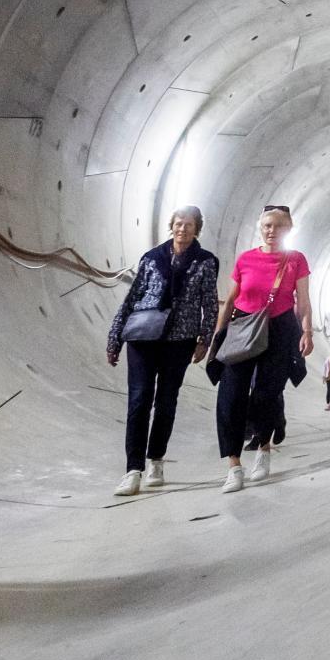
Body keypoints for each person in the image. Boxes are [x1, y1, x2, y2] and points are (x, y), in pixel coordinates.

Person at [105, 206, 219, 496]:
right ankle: (133, 469)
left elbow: (209, 301)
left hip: (179, 340)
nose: (183, 229)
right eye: (179, 224)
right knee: (139, 400)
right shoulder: (151, 258)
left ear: (197, 229)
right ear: (172, 226)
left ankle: (156, 459)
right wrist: (115, 336)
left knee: (166, 401)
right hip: (143, 337)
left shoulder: (205, 262)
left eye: (189, 225)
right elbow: (132, 298)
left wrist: (204, 339)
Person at [209, 204, 311, 492]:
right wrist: (219, 334)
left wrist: (306, 331)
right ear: (260, 228)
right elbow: (230, 300)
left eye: (278, 226)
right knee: (230, 396)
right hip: (242, 328)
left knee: (267, 394)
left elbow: (303, 301)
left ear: (288, 229)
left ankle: (264, 449)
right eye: (267, 225)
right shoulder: (245, 259)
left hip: (279, 329)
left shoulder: (296, 260)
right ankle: (234, 467)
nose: (271, 231)